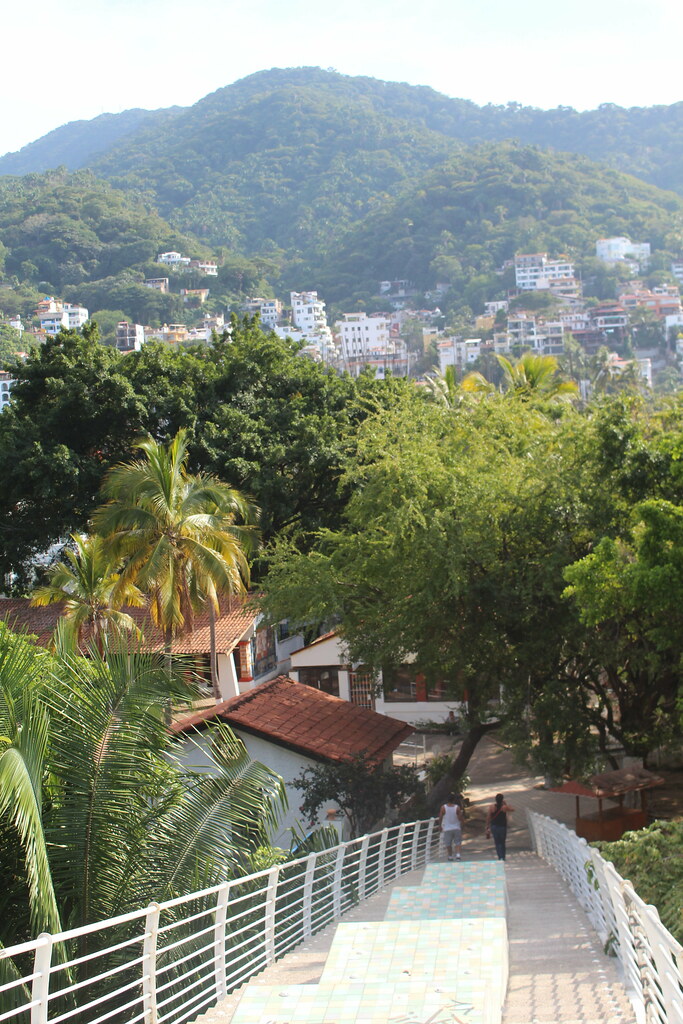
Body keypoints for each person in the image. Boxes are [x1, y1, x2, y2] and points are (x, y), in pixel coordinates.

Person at [486, 793, 514, 861]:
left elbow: (488, 817)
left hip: (494, 826)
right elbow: (512, 809)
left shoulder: (491, 807)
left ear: (495, 800)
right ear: (502, 799)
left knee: (497, 842)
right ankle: (503, 857)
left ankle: (499, 857)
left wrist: (487, 826)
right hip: (502, 826)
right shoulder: (504, 807)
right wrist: (505, 804)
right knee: (502, 842)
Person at [438, 793, 464, 861]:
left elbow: (440, 817)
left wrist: (440, 825)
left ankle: (450, 855)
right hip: (456, 827)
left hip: (447, 828)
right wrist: (462, 825)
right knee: (458, 842)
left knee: (448, 843)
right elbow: (460, 817)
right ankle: (458, 855)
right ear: (454, 800)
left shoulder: (443, 807)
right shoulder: (457, 807)